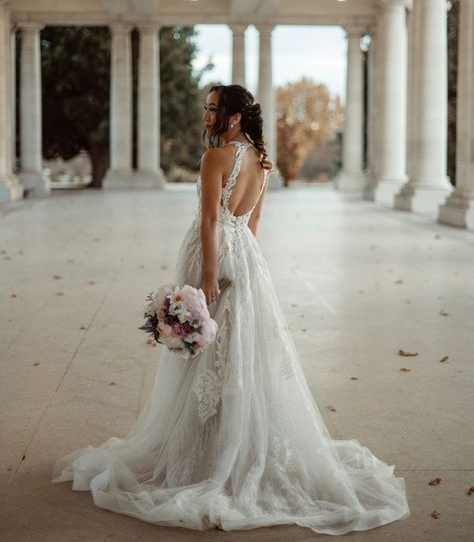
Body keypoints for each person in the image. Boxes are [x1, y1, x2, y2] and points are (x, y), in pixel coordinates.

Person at [51, 83, 410, 534]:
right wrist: (243, 265)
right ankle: (232, 438)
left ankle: (206, 449)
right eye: (206, 107)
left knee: (210, 349)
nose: (206, 115)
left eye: (213, 108)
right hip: (246, 256)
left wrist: (206, 276)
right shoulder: (262, 161)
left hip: (212, 253)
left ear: (235, 117)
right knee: (239, 349)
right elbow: (252, 221)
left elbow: (208, 219)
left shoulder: (216, 158)